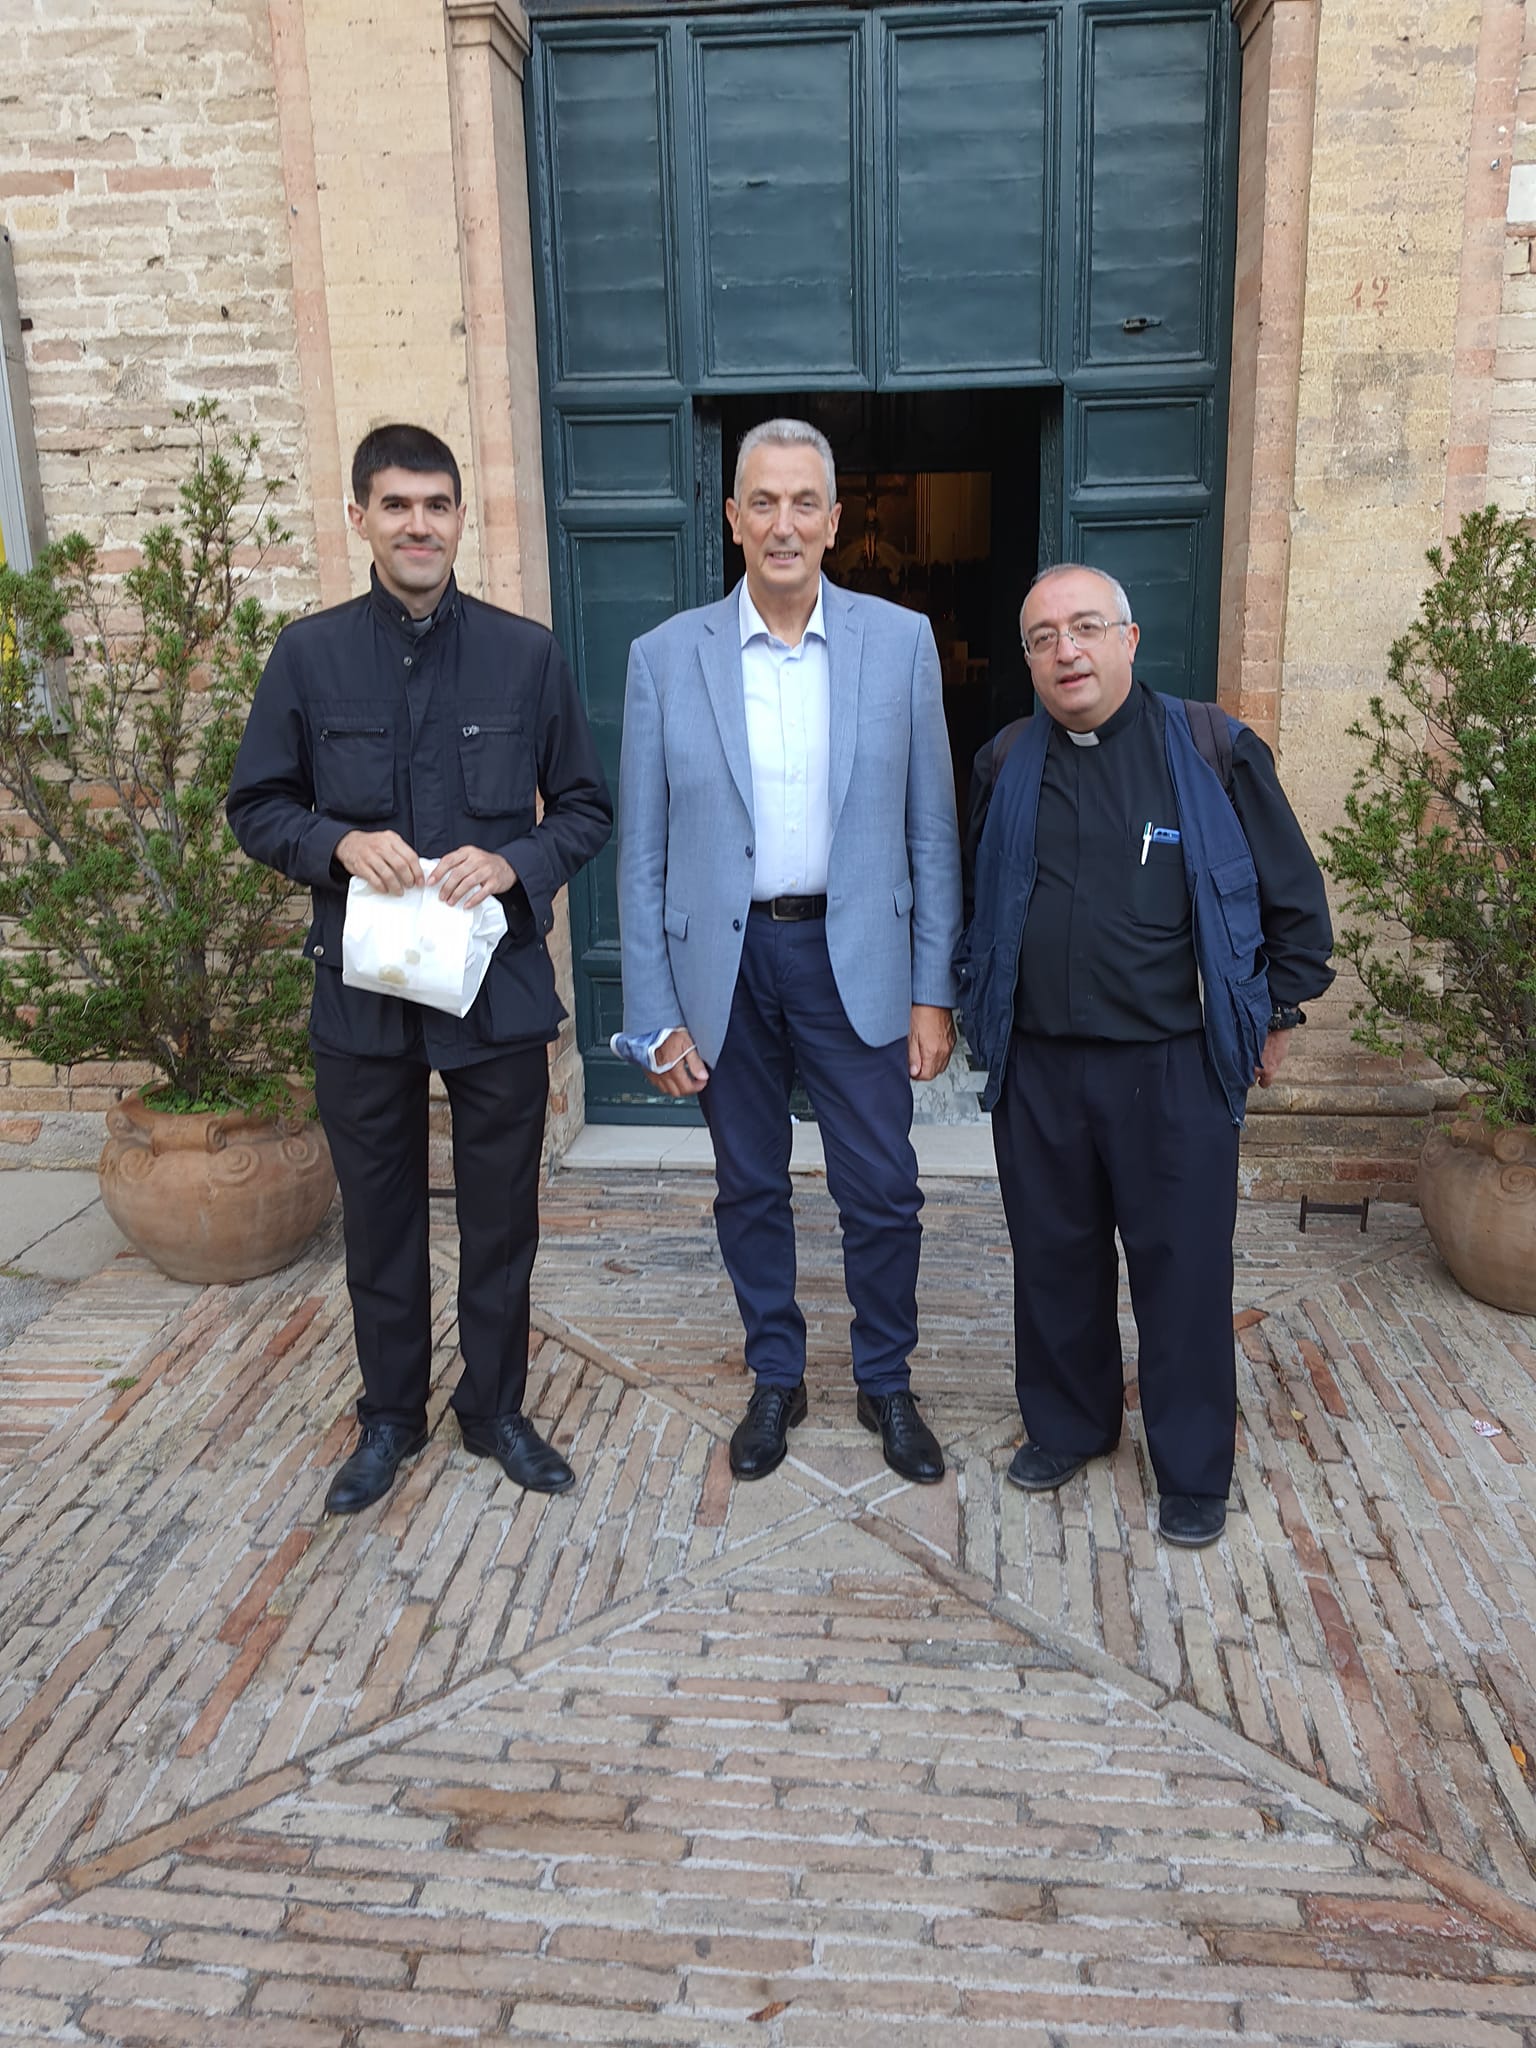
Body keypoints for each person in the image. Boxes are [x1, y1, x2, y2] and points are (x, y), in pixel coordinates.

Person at [228, 423, 612, 1515]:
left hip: (495, 989)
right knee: (381, 1215)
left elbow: (586, 807)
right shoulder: (308, 656)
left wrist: (514, 861)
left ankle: (494, 1410)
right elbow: (256, 805)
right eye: (396, 505)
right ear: (359, 517)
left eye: (437, 505)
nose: (418, 525)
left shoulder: (526, 654)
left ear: (460, 518)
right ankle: (391, 1415)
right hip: (362, 993)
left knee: (501, 1218)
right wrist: (337, 844)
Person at [960, 563, 1333, 1548]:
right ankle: (1070, 1425)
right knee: (1053, 1261)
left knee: (1184, 1273)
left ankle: (1193, 1465)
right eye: (1043, 637)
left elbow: (1294, 901)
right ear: (1029, 658)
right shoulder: (1005, 760)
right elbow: (976, 895)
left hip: (1173, 1069)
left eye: (1085, 627)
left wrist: (1277, 1012)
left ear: (1128, 638)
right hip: (1040, 1067)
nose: (1066, 651)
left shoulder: (1214, 751)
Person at [617, 419, 961, 1485]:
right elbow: (642, 852)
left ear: (835, 519)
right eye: (762, 502)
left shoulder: (900, 643)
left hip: (855, 954)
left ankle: (885, 1377)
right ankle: (777, 1372)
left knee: (884, 1187)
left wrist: (934, 987)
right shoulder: (664, 657)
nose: (783, 523)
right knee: (749, 1185)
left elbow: (932, 830)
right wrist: (652, 1012)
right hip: (723, 970)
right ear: (732, 518)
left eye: (803, 502)